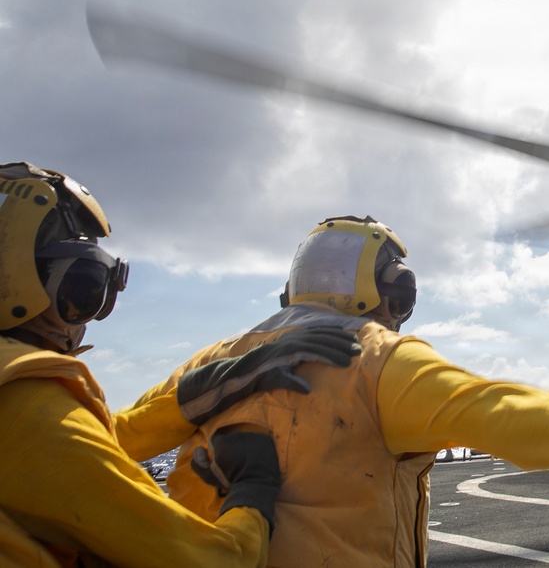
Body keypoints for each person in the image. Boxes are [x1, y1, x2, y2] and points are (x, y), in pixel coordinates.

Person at [122, 215, 549, 567]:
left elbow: (107, 441)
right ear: (389, 294)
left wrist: (188, 394)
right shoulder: (381, 361)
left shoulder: (219, 361)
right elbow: (510, 416)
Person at [0, 162, 360, 568]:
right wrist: (252, 492)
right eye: (85, 289)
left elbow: (101, 439)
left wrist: (205, 388)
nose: (89, 317)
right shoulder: (27, 407)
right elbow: (212, 562)